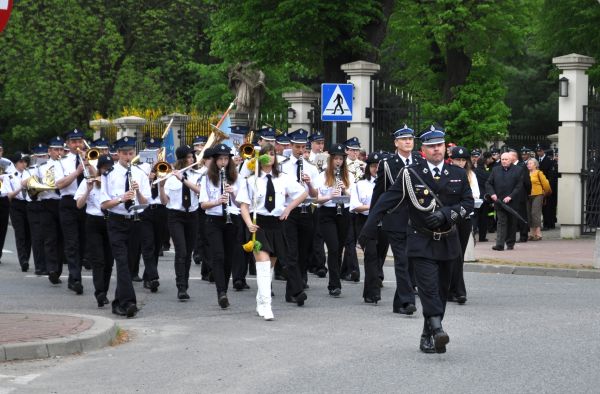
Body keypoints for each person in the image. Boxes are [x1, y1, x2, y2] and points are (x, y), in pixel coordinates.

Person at [359, 126, 474, 354]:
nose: (436, 150)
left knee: (441, 290)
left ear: (444, 147)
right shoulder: (411, 173)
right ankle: (437, 327)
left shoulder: (458, 174)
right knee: (428, 288)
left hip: (448, 240)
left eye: (439, 145)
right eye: (431, 146)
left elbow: (468, 204)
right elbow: (386, 200)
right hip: (421, 240)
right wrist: (368, 230)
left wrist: (445, 214)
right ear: (423, 149)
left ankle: (427, 334)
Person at [237, 143, 307, 320]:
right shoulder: (251, 180)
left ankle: (260, 301)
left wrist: (288, 208)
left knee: (270, 267)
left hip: (276, 225)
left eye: (273, 154)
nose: (270, 157)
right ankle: (267, 306)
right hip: (258, 224)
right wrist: (248, 224)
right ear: (259, 158)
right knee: (262, 263)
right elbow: (243, 206)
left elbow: (302, 193)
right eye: (266, 154)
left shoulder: (283, 178)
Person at [363, 125, 420, 315]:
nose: (408, 142)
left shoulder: (420, 160)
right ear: (396, 143)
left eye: (410, 139)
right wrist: (372, 222)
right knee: (402, 260)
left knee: (412, 260)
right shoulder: (387, 164)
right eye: (404, 139)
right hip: (395, 218)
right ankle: (406, 301)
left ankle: (399, 302)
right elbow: (379, 194)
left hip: (417, 219)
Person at [100, 136, 151, 318]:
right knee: (121, 262)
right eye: (124, 154)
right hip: (116, 221)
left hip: (134, 220)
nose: (128, 157)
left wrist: (137, 192)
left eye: (131, 153)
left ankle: (117, 303)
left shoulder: (140, 174)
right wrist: (122, 198)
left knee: (128, 265)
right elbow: (104, 204)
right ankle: (129, 302)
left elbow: (147, 202)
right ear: (118, 154)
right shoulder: (108, 174)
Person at [199, 143, 244, 308]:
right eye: (220, 159)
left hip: (232, 219)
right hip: (214, 220)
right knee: (218, 255)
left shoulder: (236, 177)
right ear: (215, 161)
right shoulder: (207, 178)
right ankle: (221, 292)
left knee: (228, 257)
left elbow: (241, 204)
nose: (223, 162)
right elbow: (203, 204)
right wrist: (218, 201)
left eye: (226, 159)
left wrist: (232, 192)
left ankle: (223, 288)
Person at [280, 128, 318, 302]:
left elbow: (315, 195)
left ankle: (296, 285)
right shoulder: (283, 166)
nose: (301, 151)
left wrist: (308, 185)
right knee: (292, 252)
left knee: (304, 252)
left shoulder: (311, 168)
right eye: (297, 147)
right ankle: (295, 291)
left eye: (303, 147)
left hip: (306, 211)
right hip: (289, 212)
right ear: (291, 145)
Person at [159, 145, 201, 301]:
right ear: (183, 159)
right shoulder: (169, 176)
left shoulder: (197, 174)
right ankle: (181, 287)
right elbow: (164, 202)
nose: (192, 159)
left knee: (188, 253)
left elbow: (200, 192)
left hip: (192, 215)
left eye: (193, 157)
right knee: (181, 251)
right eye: (189, 157)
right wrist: (161, 187)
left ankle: (185, 283)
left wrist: (183, 179)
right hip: (175, 216)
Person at [54, 129, 92, 295]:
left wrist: (89, 166)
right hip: (68, 203)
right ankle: (75, 278)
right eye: (74, 142)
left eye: (79, 141)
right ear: (68, 144)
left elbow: (98, 179)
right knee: (72, 242)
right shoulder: (61, 162)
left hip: (85, 201)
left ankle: (73, 277)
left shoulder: (91, 158)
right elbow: (59, 184)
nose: (77, 145)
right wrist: (77, 172)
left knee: (83, 242)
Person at [75, 155, 114, 307]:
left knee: (109, 261)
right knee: (98, 260)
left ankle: (104, 290)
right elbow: (79, 205)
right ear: (99, 169)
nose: (107, 172)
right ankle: (99, 292)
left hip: (110, 221)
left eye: (110, 169)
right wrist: (88, 189)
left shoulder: (113, 182)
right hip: (93, 222)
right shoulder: (88, 181)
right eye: (105, 169)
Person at [315, 143, 352, 297]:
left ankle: (335, 280)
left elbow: (354, 198)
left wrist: (344, 190)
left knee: (339, 249)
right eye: (336, 159)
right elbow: (317, 200)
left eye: (341, 159)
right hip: (327, 212)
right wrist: (331, 195)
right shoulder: (322, 176)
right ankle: (334, 284)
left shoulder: (348, 175)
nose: (338, 162)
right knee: (333, 247)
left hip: (343, 212)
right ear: (330, 160)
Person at [448, 146, 479, 304]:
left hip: (465, 218)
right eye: (457, 159)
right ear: (451, 160)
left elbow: (475, 195)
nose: (460, 162)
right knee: (453, 254)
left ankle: (456, 290)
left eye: (462, 160)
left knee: (458, 255)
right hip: (451, 217)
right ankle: (455, 289)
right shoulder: (447, 173)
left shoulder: (470, 174)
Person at [34, 137, 65, 286]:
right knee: (50, 238)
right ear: (49, 151)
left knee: (61, 238)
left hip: (63, 203)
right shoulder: (41, 166)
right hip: (47, 203)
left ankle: (57, 270)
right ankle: (52, 269)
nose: (59, 152)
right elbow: (31, 183)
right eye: (55, 149)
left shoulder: (67, 164)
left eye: (60, 149)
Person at [486, 152, 524, 251]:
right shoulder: (495, 170)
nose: (504, 161)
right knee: (501, 222)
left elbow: (519, 186)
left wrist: (510, 196)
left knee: (512, 223)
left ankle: (510, 243)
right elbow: (488, 183)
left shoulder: (518, 170)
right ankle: (500, 244)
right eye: (502, 159)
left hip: (512, 201)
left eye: (506, 159)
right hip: (499, 201)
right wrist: (492, 194)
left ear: (511, 160)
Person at [1, 152, 31, 272]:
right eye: (21, 162)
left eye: (25, 161)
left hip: (28, 204)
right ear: (16, 163)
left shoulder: (30, 174)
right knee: (20, 233)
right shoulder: (9, 176)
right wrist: (21, 187)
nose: (24, 164)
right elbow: (9, 196)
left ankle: (27, 258)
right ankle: (23, 260)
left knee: (29, 234)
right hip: (16, 205)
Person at [341, 137, 365, 282]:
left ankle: (344, 270)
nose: (355, 152)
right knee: (349, 239)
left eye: (357, 150)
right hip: (347, 204)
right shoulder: (343, 166)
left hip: (360, 206)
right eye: (352, 150)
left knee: (356, 239)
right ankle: (354, 269)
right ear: (346, 150)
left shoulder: (363, 165)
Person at [526, 158, 551, 241]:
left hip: (538, 194)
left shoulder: (539, 173)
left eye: (530, 163)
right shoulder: (526, 173)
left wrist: (545, 193)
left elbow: (546, 184)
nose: (528, 165)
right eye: (528, 163)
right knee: (529, 214)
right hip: (528, 195)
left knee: (535, 213)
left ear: (535, 165)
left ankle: (538, 233)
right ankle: (532, 233)